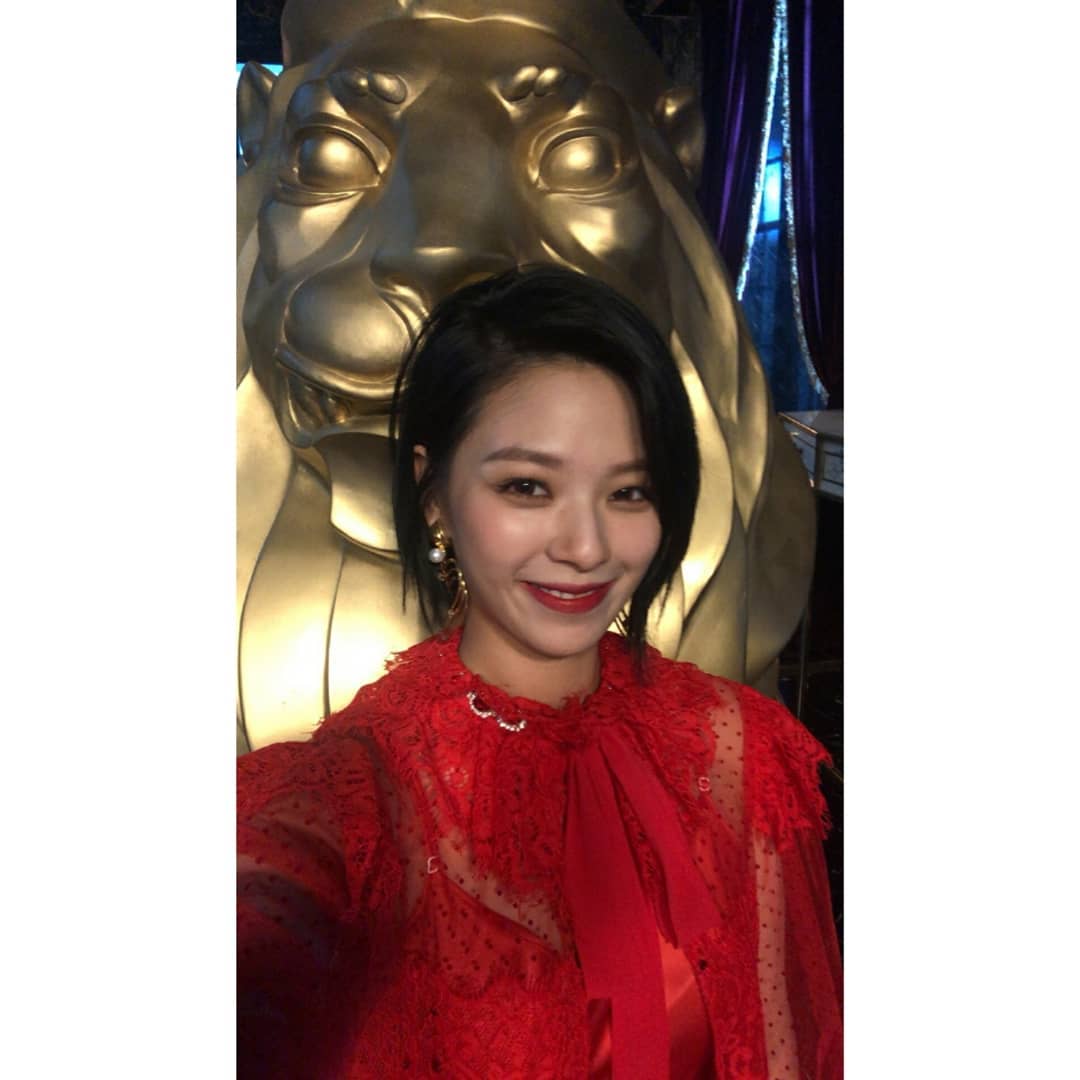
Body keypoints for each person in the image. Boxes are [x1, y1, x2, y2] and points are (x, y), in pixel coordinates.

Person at [237, 267, 843, 1079]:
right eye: (528, 487)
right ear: (432, 492)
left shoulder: (735, 745)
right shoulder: (351, 798)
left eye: (630, 492)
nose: (587, 548)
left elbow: (785, 1047)